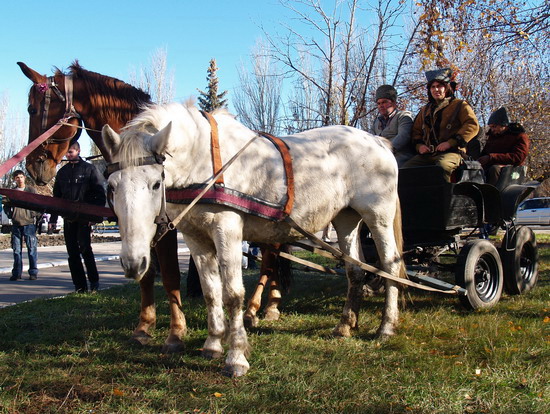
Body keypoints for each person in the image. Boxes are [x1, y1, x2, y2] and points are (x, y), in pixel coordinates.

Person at [403, 68, 480, 182]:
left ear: (446, 88)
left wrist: (450, 143)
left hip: (453, 152)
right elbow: (416, 131)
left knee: (442, 167)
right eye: (432, 87)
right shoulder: (425, 110)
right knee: (405, 170)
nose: (436, 90)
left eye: (439, 86)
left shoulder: (459, 105)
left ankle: (445, 198)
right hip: (428, 154)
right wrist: (420, 146)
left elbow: (472, 125)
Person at [50, 142, 106, 292]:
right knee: (72, 253)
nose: (68, 155)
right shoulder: (62, 172)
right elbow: (56, 198)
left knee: (85, 249)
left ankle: (94, 281)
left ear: (78, 151)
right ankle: (79, 286)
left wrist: (93, 216)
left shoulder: (89, 169)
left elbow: (100, 195)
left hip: (84, 218)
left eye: (71, 152)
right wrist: (53, 219)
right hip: (68, 218)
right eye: (66, 153)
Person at [477, 107, 530, 186]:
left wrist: (491, 157)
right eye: (491, 127)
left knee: (494, 169)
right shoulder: (493, 137)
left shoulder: (518, 136)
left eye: (494, 127)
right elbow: (484, 154)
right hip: (490, 168)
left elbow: (518, 157)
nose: (492, 130)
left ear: (503, 125)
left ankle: (491, 195)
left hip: (511, 171)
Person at [4, 170, 40, 281]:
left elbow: (38, 204)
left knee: (32, 249)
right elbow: (6, 204)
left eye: (21, 177)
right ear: (15, 179)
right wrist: (10, 214)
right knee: (16, 250)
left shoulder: (31, 190)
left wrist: (33, 215)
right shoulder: (12, 192)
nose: (19, 179)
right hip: (16, 224)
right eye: (17, 177)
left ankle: (33, 272)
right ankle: (17, 273)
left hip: (29, 224)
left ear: (24, 177)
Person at [370, 85, 414, 166]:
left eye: (384, 102)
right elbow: (370, 138)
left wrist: (387, 150)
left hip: (400, 157)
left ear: (393, 103)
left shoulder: (403, 117)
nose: (381, 105)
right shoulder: (376, 122)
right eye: (378, 103)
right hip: (378, 157)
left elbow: (404, 136)